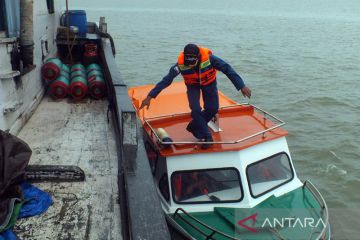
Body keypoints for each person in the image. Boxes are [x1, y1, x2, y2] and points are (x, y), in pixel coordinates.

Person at [140, 43, 252, 149]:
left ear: (198, 57)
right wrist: (150, 96)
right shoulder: (179, 65)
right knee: (195, 109)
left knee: (213, 108)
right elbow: (167, 80)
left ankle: (194, 125)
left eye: (192, 63)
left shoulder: (210, 59)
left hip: (209, 83)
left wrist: (241, 86)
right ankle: (207, 136)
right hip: (192, 86)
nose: (190, 66)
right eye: (188, 63)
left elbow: (228, 69)